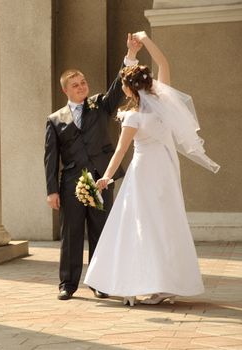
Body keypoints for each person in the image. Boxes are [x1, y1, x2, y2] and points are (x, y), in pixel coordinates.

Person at [83, 31, 220, 306]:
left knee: (141, 225)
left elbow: (121, 150)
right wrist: (145, 40)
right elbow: (164, 64)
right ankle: (166, 284)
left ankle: (148, 283)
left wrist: (106, 178)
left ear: (129, 89)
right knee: (166, 223)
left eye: (123, 85)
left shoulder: (133, 117)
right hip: (166, 170)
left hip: (144, 173)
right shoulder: (164, 102)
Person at [44, 34, 143, 301]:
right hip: (71, 183)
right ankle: (67, 283)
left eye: (83, 82)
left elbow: (116, 87)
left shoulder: (100, 104)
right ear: (65, 90)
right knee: (72, 232)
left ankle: (100, 281)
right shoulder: (55, 120)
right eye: (75, 85)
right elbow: (51, 158)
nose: (81, 87)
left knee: (100, 230)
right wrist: (52, 191)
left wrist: (130, 56)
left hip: (101, 179)